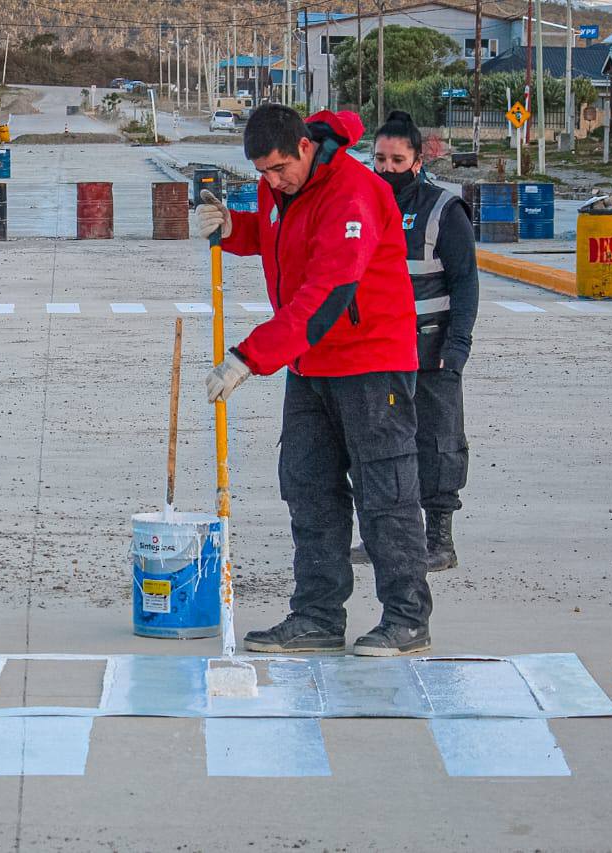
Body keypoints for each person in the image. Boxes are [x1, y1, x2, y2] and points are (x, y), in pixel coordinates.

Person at [197, 104, 433, 656]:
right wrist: (237, 228)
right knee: (308, 488)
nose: (271, 181)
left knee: (386, 493)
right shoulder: (278, 188)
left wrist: (249, 357)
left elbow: (327, 293)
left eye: (278, 168)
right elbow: (285, 239)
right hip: (310, 365)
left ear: (305, 146)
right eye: (261, 173)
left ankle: (406, 617)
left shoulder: (353, 191)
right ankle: (318, 615)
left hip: (372, 363)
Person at [357, 110, 477, 572]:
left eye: (396, 159)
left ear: (418, 159)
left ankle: (439, 542)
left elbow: (466, 283)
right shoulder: (362, 206)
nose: (386, 168)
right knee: (382, 450)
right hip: (377, 354)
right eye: (379, 158)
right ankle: (385, 539)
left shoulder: (443, 211)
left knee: (439, 445)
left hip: (432, 354)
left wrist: (457, 348)